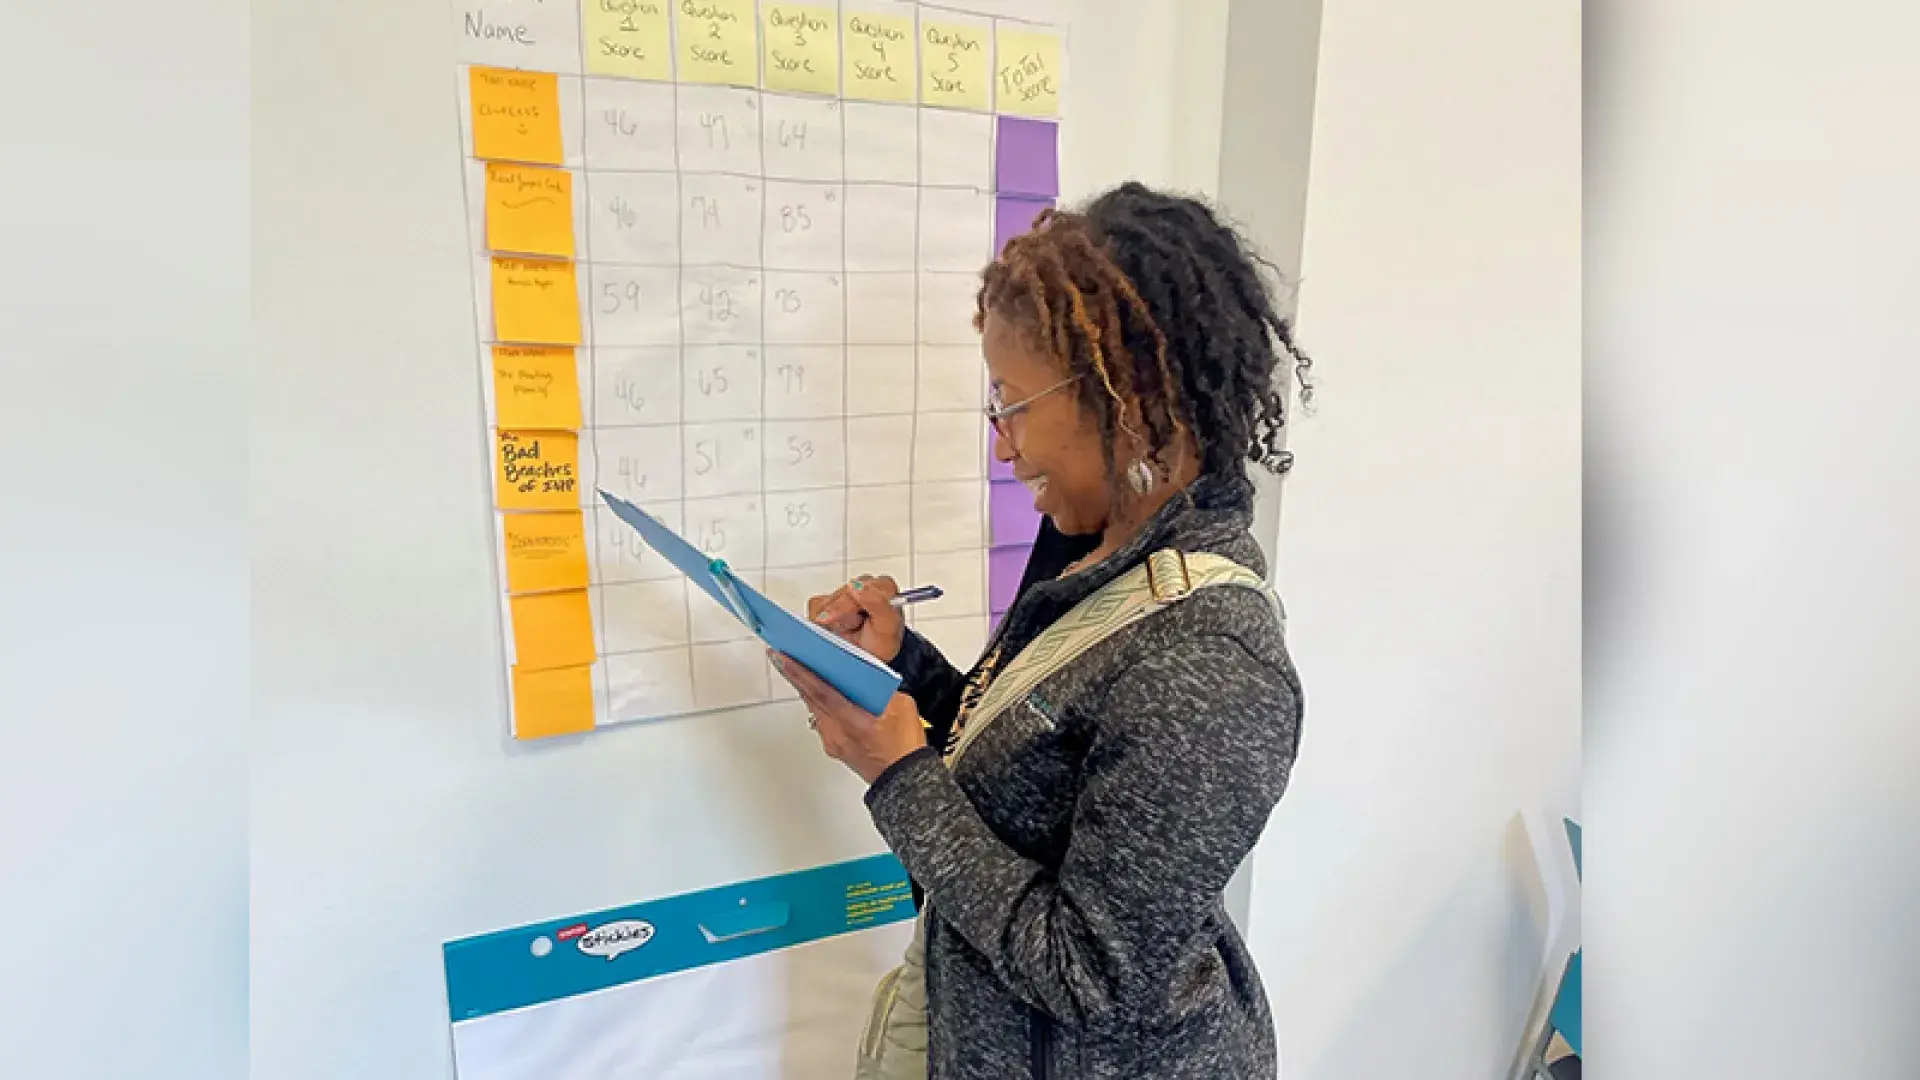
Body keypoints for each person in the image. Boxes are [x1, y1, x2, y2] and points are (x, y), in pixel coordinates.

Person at [769, 182, 1308, 1079]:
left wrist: (895, 774)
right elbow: (1021, 767)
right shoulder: (1091, 556)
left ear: (1126, 392)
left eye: (1014, 405)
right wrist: (903, 668)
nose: (1002, 445)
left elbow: (1089, 971)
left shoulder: (1214, 667)